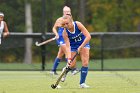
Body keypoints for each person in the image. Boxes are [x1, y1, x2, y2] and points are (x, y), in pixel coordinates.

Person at [62, 15, 91, 88]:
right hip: (73, 46)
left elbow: (88, 36)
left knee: (85, 62)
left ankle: (82, 83)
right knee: (72, 65)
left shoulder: (78, 24)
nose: (65, 25)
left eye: (67, 23)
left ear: (71, 21)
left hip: (84, 43)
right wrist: (69, 58)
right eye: (64, 24)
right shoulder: (65, 33)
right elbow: (68, 46)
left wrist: (81, 46)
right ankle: (65, 70)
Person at [50, 6, 79, 75]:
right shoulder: (59, 20)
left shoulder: (71, 20)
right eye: (66, 12)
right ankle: (73, 69)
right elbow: (54, 28)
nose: (67, 13)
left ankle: (53, 70)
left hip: (67, 39)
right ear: (63, 12)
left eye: (68, 12)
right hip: (61, 39)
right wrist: (56, 34)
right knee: (67, 52)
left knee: (60, 54)